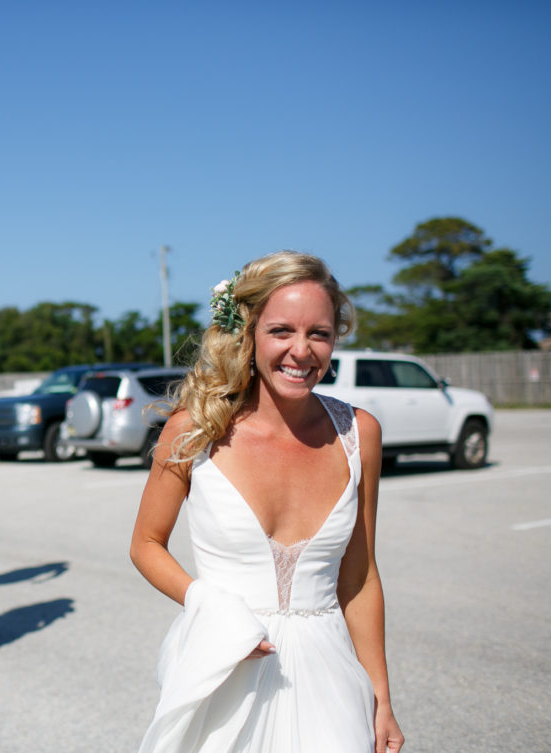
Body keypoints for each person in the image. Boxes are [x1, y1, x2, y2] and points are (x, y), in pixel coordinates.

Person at [130, 251, 404, 752]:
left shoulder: (359, 433)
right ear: (249, 331)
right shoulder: (193, 430)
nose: (302, 351)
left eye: (319, 333)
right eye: (281, 331)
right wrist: (208, 606)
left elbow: (360, 575)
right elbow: (146, 543)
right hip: (223, 669)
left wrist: (381, 697)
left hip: (330, 681)